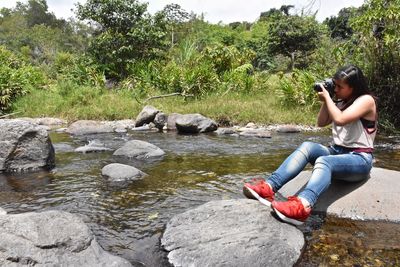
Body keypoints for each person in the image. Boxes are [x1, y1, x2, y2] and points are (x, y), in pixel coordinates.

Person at [243, 65, 377, 225]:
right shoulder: (341, 102)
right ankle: (269, 187)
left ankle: (303, 206)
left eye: (340, 86)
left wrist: (328, 98)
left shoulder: (366, 100)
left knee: (324, 161)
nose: (336, 89)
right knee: (307, 146)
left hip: (359, 158)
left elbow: (340, 119)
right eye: (335, 85)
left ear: (353, 88)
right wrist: (327, 100)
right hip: (337, 152)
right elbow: (321, 123)